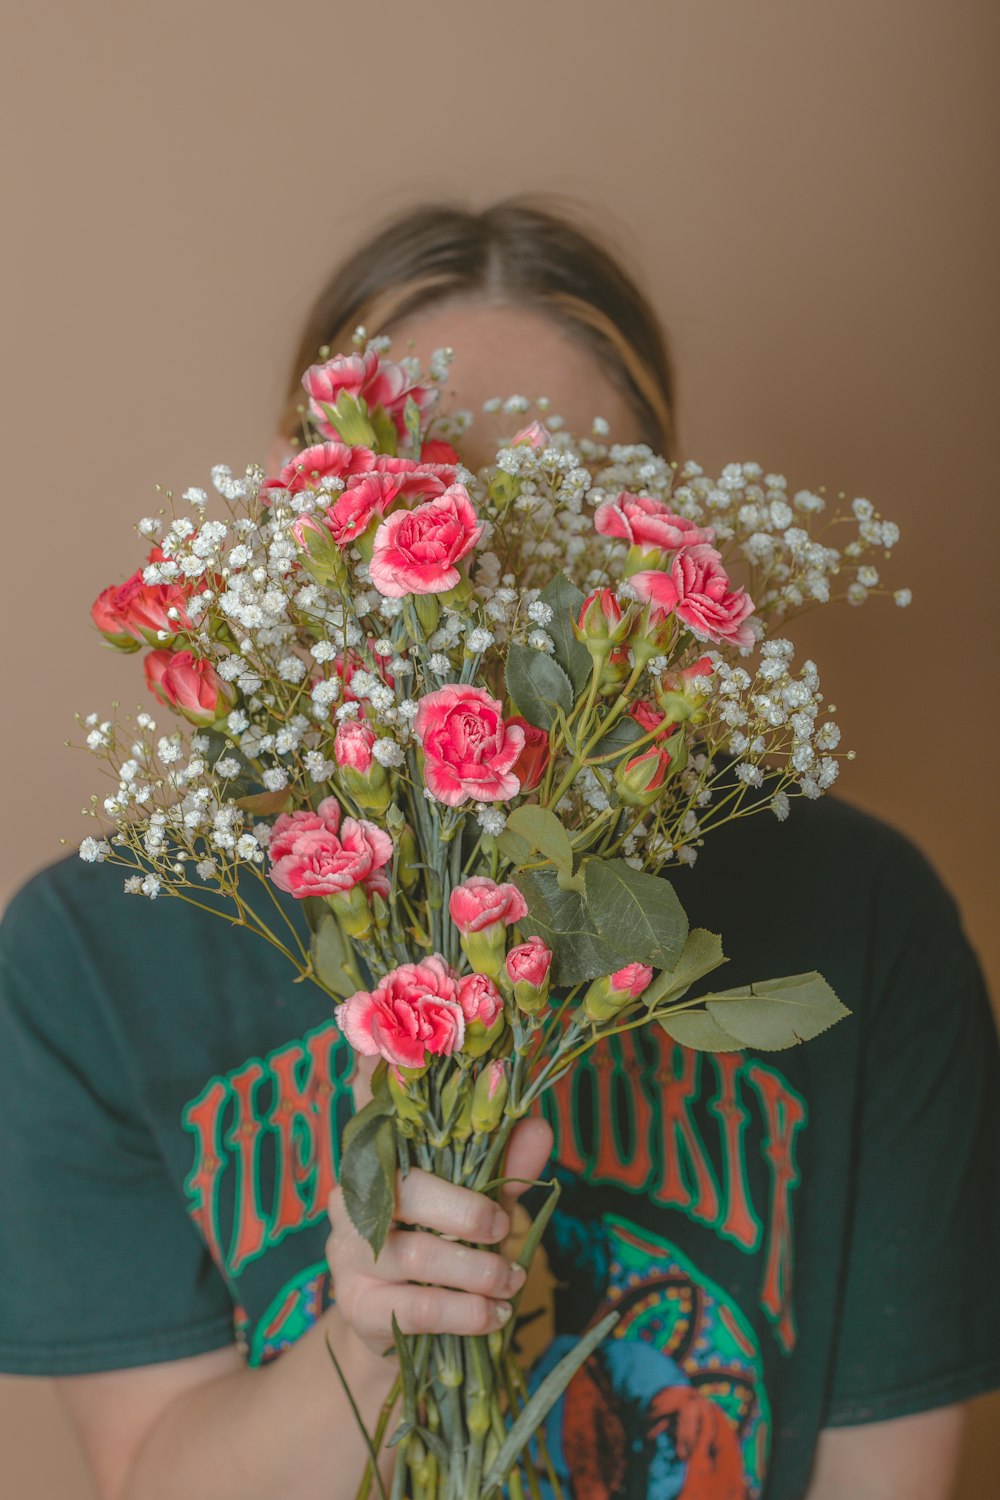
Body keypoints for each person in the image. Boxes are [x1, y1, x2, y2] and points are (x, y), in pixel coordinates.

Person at [1, 196, 998, 1500]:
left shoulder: (866, 920)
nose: (489, 577)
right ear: (312, 523)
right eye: (442, 505)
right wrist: (368, 1345)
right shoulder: (92, 954)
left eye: (563, 511)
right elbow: (151, 1478)